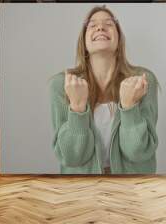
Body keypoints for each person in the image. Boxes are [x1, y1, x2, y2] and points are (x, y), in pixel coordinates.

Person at [49, 5, 159, 174]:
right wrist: (77, 108)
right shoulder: (63, 84)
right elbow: (71, 157)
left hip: (133, 191)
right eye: (92, 25)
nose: (100, 27)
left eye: (109, 24)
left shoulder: (142, 80)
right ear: (83, 42)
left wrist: (129, 107)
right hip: (81, 191)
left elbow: (139, 152)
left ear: (118, 39)